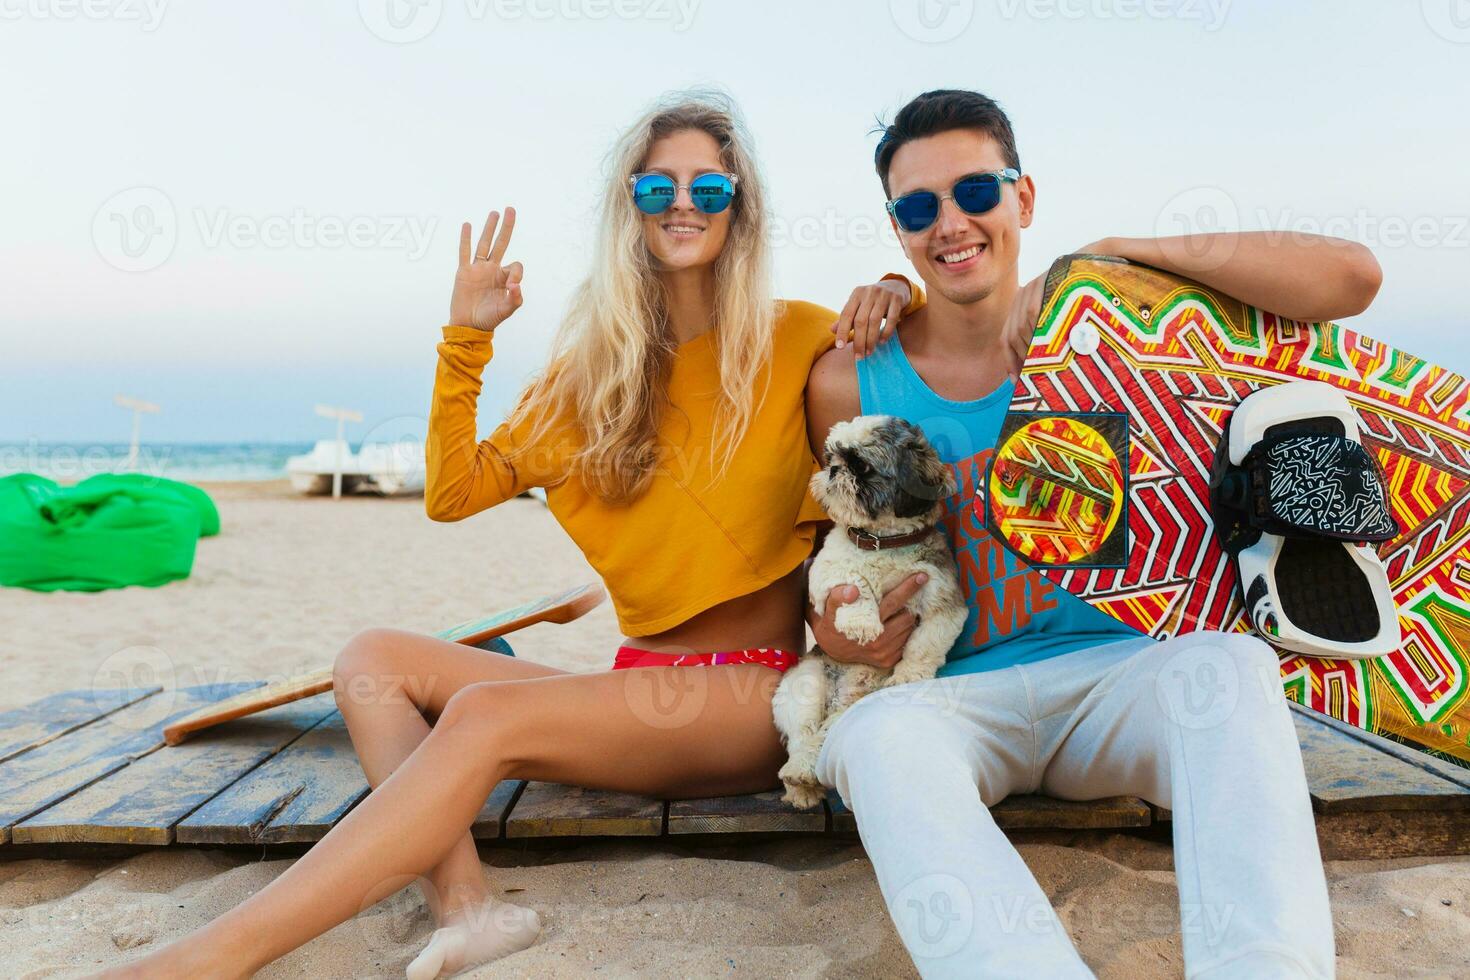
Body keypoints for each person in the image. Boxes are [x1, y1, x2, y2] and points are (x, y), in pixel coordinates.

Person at [95, 90, 912, 980]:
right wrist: (465, 338)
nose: (684, 203)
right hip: (637, 690)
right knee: (370, 657)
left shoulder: (793, 334)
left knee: (482, 714)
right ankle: (467, 907)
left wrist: (897, 287)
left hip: (753, 698)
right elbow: (451, 492)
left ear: (738, 206)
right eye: (658, 187)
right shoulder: (589, 377)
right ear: (628, 206)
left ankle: (204, 961)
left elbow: (913, 385)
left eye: (709, 188)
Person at [804, 89, 1383, 979]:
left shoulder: (1117, 325)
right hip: (951, 699)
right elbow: (828, 556)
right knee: (873, 742)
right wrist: (836, 622)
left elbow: (1354, 277)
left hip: (1126, 678)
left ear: (1023, 200)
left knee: (1233, 667)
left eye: (975, 193)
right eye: (919, 208)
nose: (950, 223)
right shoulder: (851, 379)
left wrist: (1116, 254)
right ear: (896, 227)